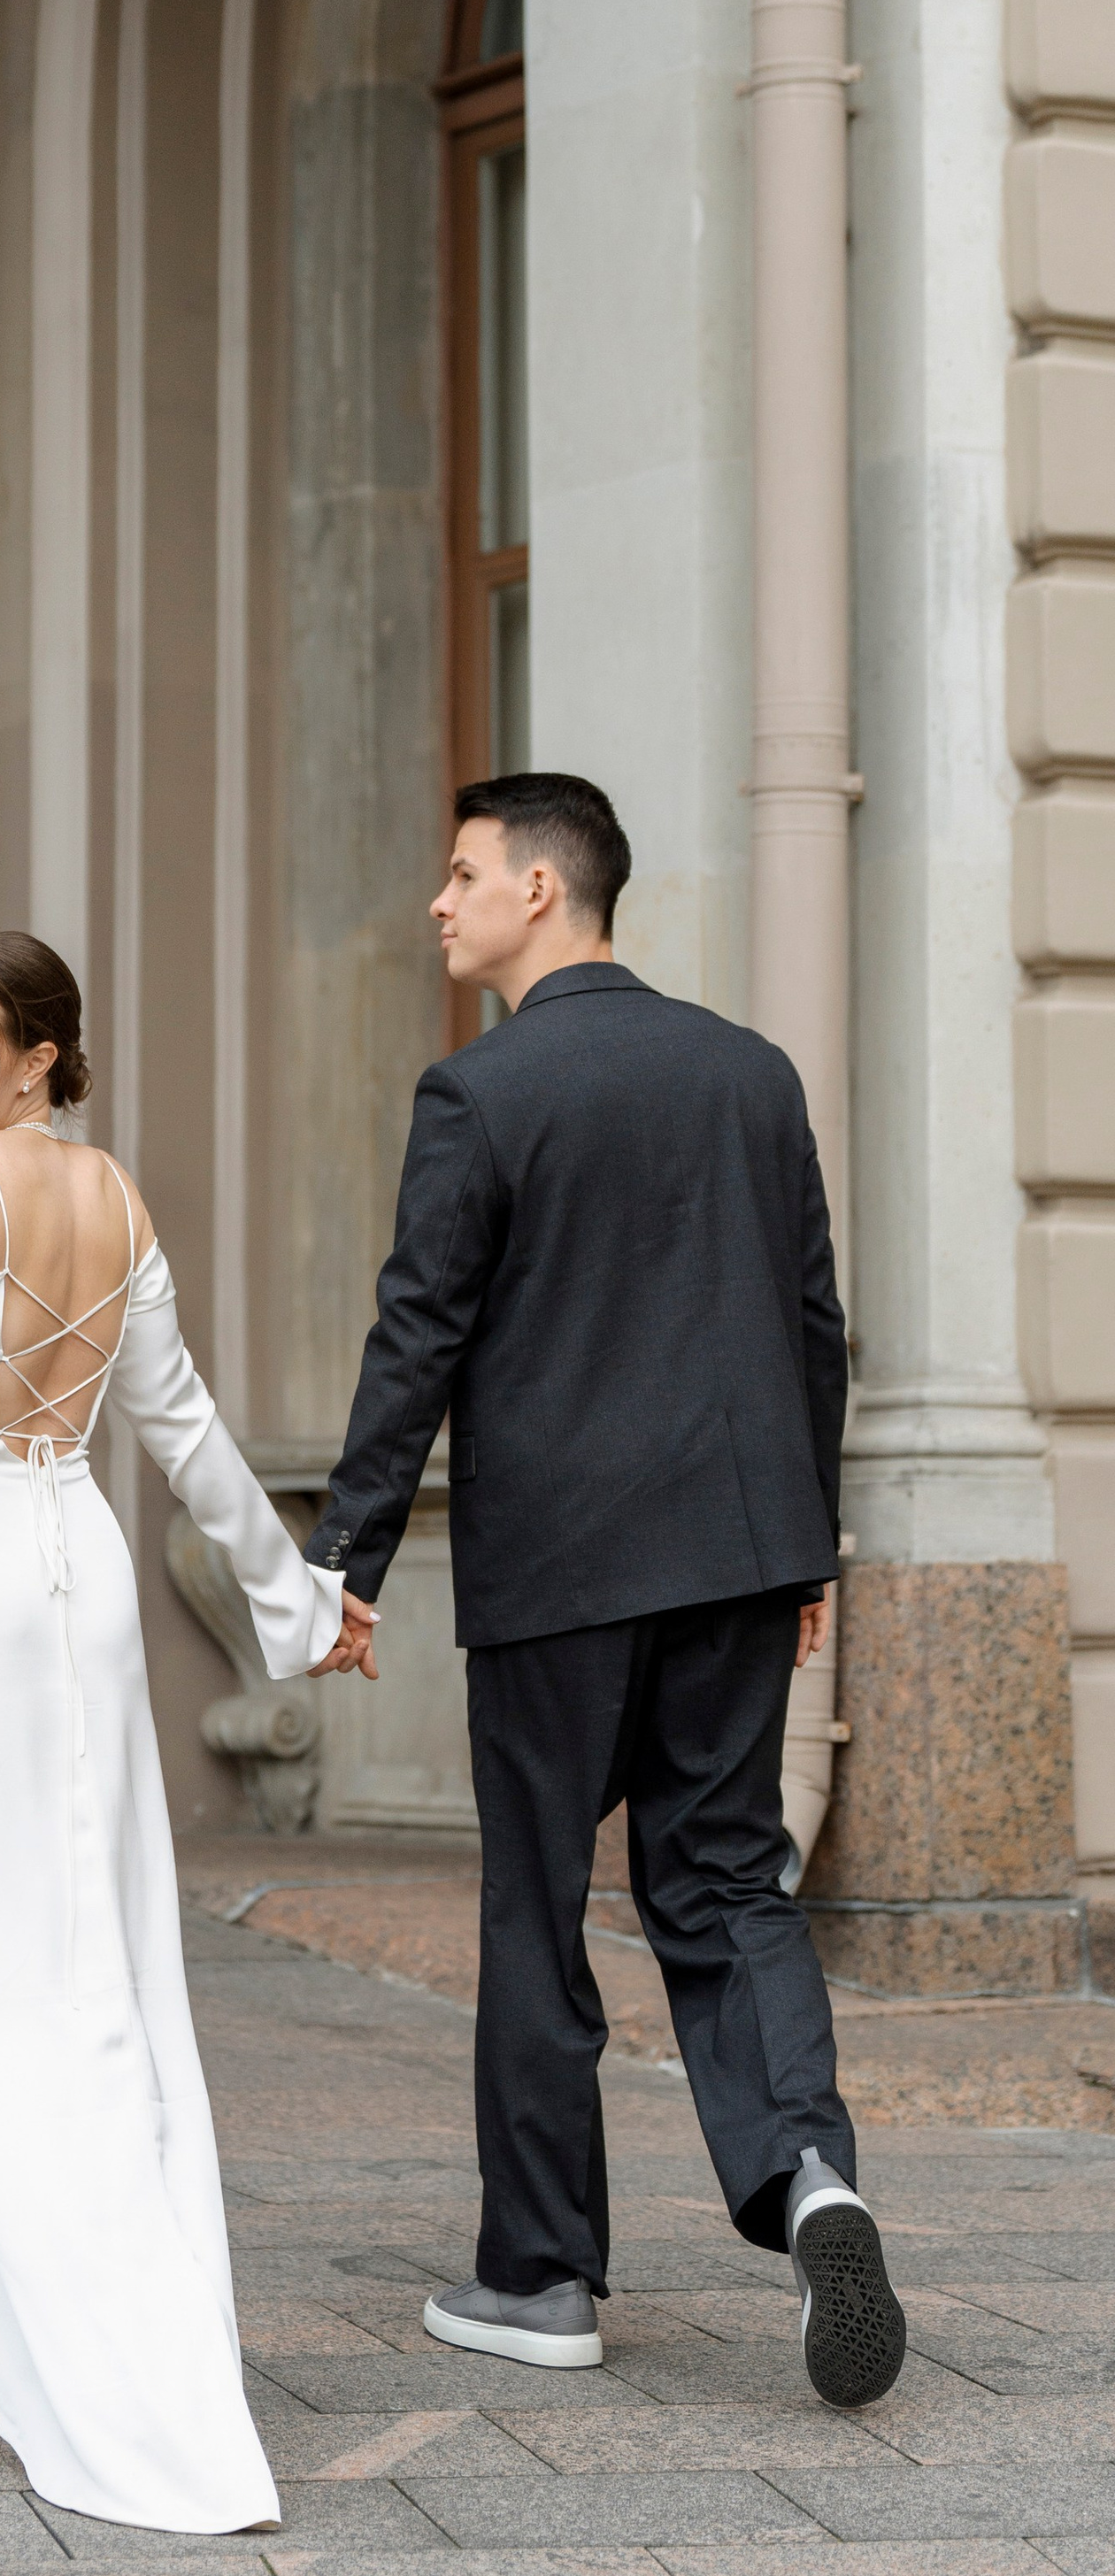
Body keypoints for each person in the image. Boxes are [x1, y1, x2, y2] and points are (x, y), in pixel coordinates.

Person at [304, 773, 906, 2410]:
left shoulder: (480, 1093)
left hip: (560, 1573)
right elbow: (813, 1329)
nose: (439, 903)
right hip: (737, 1547)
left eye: (461, 873)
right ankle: (809, 2180)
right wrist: (809, 1552)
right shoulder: (751, 1073)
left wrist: (342, 1562)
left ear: (546, 895)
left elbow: (417, 1334)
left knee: (538, 1905)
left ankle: (541, 2274)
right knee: (726, 1883)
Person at [0, 930, 373, 2530]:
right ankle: (35, 2309)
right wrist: (302, 1604)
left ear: (37, 1054)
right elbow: (176, 1426)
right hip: (81, 1586)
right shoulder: (111, 1195)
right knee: (79, 1966)